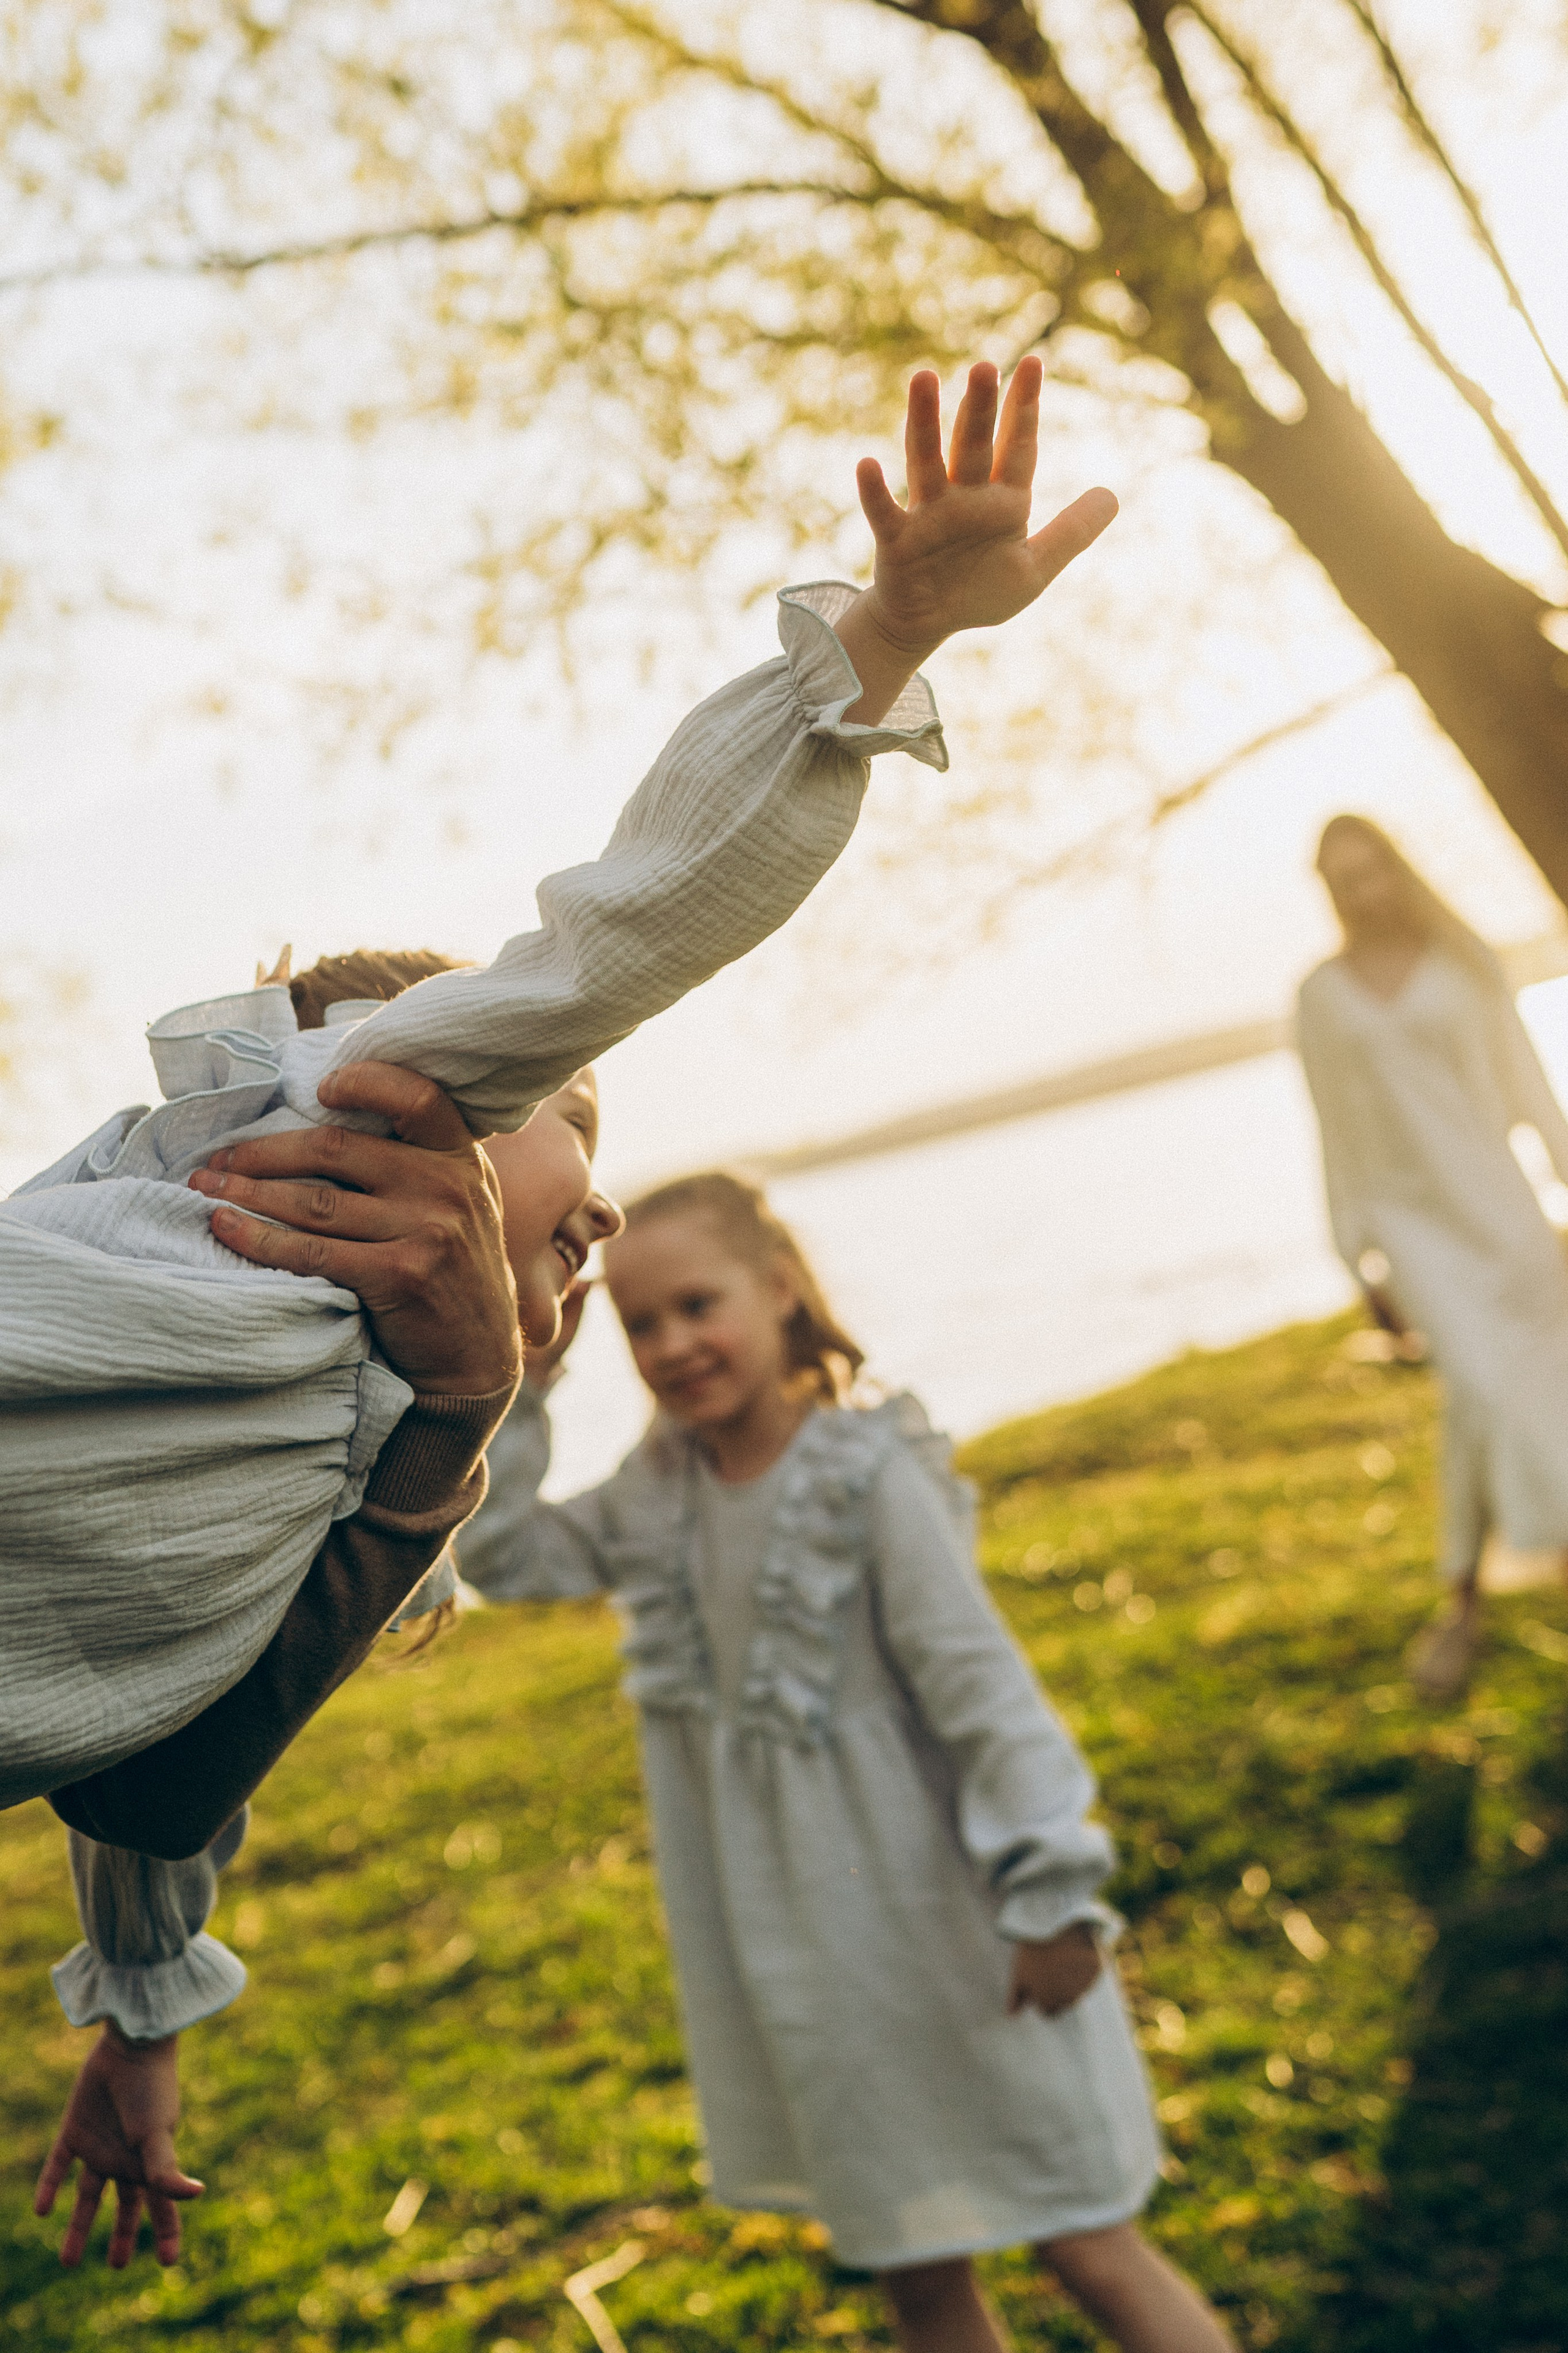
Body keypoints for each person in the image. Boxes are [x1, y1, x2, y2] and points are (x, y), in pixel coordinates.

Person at [26, 357, 1121, 2266]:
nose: (598, 1198)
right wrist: (877, 644)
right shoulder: (372, 1107)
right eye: (578, 1115)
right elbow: (637, 919)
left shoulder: (351, 1467)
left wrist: (143, 2012)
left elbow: (162, 1756)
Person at [459, 1174, 1236, 2353]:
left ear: (779, 1290)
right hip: (815, 1955)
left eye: (698, 1305)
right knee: (914, 2262)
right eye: (640, 1324)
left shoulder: (866, 1475)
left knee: (1083, 2235)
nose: (672, 1344)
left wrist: (1052, 1887)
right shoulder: (657, 1491)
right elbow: (506, 1551)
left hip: (961, 1925)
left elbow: (985, 1694)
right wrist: (533, 1371)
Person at [1298, 813, 1568, 1699]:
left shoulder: (1466, 966)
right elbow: (1334, 1131)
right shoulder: (1322, 996)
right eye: (1344, 880)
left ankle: (1462, 1601)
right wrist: (1357, 1257)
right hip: (1415, 1235)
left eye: (1372, 869)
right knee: (1492, 1392)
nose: (1364, 891)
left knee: (1498, 1406)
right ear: (1329, 893)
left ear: (1398, 868)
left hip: (1505, 1215)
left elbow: (1529, 1085)